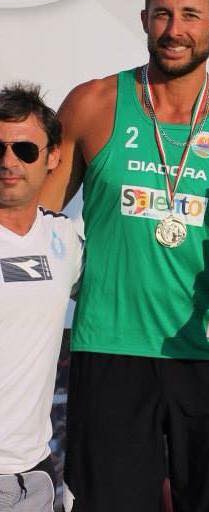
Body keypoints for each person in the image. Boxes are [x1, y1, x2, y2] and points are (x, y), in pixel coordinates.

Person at [40, 0, 209, 512]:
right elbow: (37, 217)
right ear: (144, 20)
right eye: (162, 14)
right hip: (109, 347)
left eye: (190, 15)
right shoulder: (94, 104)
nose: (174, 29)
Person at [0, 84, 83, 511]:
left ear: (52, 158)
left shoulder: (65, 240)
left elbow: (130, 291)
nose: (8, 161)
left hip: (32, 476)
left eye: (25, 150)